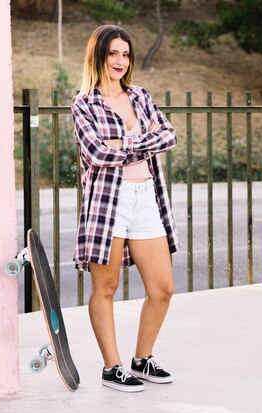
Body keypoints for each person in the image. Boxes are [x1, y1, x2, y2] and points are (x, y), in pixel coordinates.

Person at [71, 25, 179, 393]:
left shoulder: (141, 96)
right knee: (107, 286)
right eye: (113, 53)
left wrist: (121, 142)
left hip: (144, 195)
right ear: (98, 55)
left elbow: (169, 135)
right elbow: (97, 153)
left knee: (163, 287)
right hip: (108, 202)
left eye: (125, 54)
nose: (120, 61)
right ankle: (111, 366)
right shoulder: (84, 104)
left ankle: (142, 358)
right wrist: (141, 143)